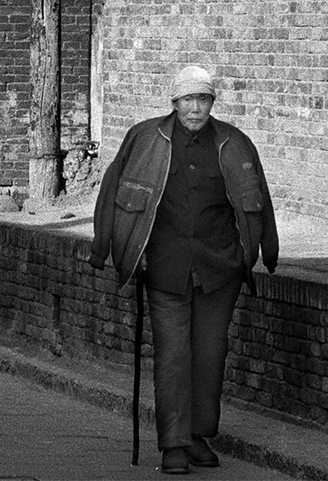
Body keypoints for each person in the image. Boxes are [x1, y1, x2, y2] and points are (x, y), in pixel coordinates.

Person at [88, 65, 278, 474]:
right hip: (164, 267)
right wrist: (104, 248)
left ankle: (198, 435)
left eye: (203, 99)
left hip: (219, 267)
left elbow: (260, 197)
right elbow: (112, 191)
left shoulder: (235, 142)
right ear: (173, 103)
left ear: (212, 103)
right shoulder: (144, 138)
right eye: (188, 100)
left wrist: (267, 250)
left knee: (210, 353)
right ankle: (173, 443)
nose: (196, 108)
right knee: (173, 354)